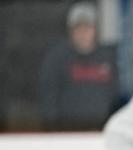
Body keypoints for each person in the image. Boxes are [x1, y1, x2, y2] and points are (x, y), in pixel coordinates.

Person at [38, 2, 119, 131]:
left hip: (100, 132)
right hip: (67, 133)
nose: (83, 33)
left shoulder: (107, 59)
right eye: (78, 28)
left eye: (88, 28)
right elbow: (48, 99)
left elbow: (114, 96)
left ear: (95, 30)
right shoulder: (57, 59)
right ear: (71, 31)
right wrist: (52, 130)